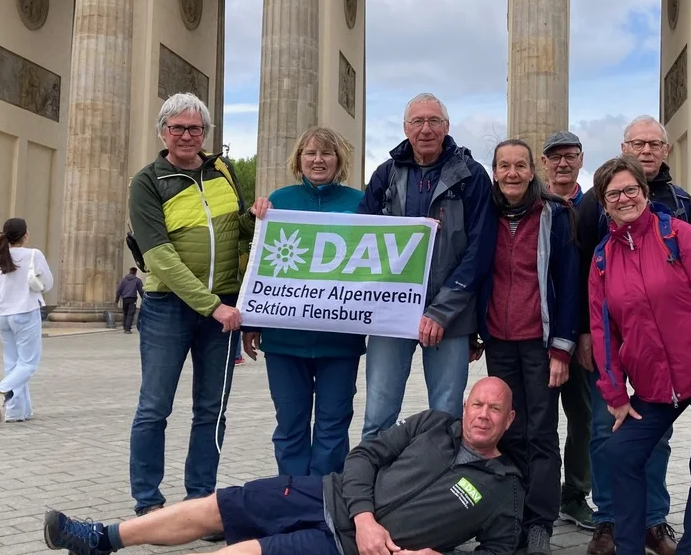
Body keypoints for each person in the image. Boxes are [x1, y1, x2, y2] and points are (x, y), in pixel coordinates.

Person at [41, 377, 524, 555]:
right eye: (477, 404)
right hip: (326, 494)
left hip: (345, 548)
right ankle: (100, 539)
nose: (482, 415)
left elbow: (501, 550)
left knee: (244, 552)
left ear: (509, 420)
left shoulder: (504, 487)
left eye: (494, 409)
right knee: (220, 505)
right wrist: (364, 515)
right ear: (465, 406)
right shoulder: (432, 424)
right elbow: (364, 456)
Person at [589, 155, 691, 555]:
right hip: (656, 382)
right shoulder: (603, 258)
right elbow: (603, 331)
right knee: (622, 452)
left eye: (631, 189)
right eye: (614, 194)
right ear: (604, 203)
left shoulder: (679, 235)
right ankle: (629, 548)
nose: (624, 198)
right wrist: (615, 394)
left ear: (645, 192)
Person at [126, 92, 271, 516]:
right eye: (178, 128)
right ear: (163, 132)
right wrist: (212, 306)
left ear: (206, 133)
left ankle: (200, 501)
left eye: (195, 128)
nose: (187, 135)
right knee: (155, 408)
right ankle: (148, 504)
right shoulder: (147, 181)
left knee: (212, 410)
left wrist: (256, 217)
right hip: (169, 307)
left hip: (222, 307)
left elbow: (238, 235)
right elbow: (159, 257)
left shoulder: (222, 172)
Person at [575, 117, 691, 555]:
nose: (646, 150)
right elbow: (580, 269)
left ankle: (653, 520)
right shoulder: (596, 199)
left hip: (663, 345)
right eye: (637, 144)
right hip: (611, 334)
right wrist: (584, 333)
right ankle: (608, 518)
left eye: (654, 144)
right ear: (624, 147)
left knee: (655, 434)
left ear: (666, 150)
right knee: (605, 427)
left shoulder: (682, 203)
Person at [357, 93, 495, 438]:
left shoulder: (472, 175)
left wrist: (441, 311)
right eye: (417, 121)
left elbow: (479, 251)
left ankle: (440, 473)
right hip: (392, 311)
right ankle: (369, 473)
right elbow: (361, 237)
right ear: (405, 128)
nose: (426, 129)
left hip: (450, 315)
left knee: (446, 417)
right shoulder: (385, 174)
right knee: (378, 415)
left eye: (434, 121)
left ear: (447, 127)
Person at [240, 126, 366, 478]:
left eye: (326, 153)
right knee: (290, 425)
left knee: (333, 426)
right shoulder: (278, 201)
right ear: (298, 160)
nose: (318, 160)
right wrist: (252, 320)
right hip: (285, 340)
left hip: (339, 341)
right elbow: (259, 265)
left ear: (339, 159)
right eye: (310, 153)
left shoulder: (360, 203)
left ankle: (323, 498)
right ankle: (291, 494)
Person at [478, 139, 579, 554]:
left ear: (532, 170)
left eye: (520, 165)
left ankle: (539, 522)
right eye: (504, 166)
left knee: (541, 433)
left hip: (540, 343)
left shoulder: (555, 214)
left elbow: (569, 283)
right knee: (508, 431)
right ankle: (511, 516)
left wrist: (562, 349)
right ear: (495, 172)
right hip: (499, 341)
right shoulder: (484, 213)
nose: (512, 173)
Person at [540, 130, 595, 531]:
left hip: (584, 334)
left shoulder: (595, 207)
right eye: (555, 156)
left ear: (581, 160)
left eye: (570, 156)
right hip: (535, 333)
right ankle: (536, 496)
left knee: (584, 418)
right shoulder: (530, 206)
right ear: (544, 163)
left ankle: (575, 493)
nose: (563, 163)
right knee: (536, 422)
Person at [0, 218, 54, 424]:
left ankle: (16, 412)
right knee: (28, 363)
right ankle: (1, 390)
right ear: (25, 235)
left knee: (13, 362)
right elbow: (48, 284)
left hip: (2, 313)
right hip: (25, 311)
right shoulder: (33, 254)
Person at [116, 267, 144, 334]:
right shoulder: (137, 280)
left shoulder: (123, 280)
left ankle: (125, 327)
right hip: (132, 298)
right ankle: (127, 329)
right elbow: (141, 291)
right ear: (135, 272)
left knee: (125, 312)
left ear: (129, 271)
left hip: (124, 299)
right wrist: (144, 299)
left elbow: (119, 290)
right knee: (130, 313)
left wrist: (117, 299)